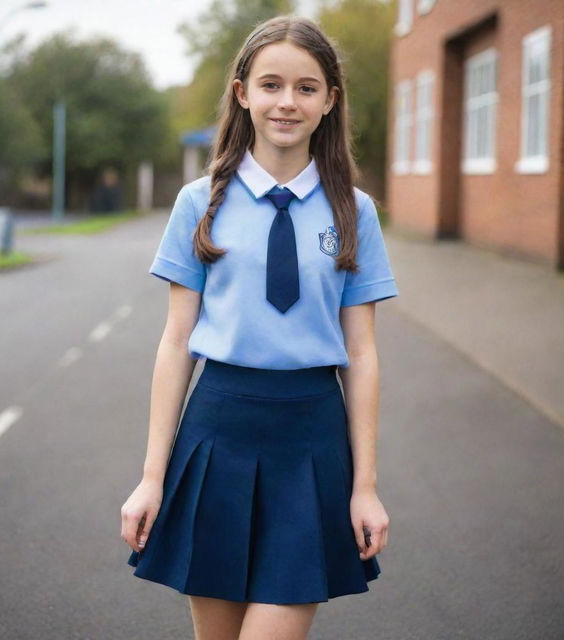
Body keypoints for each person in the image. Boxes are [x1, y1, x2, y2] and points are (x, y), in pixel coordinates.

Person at [120, 14, 399, 640]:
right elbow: (175, 343)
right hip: (217, 429)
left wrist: (366, 485)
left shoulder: (356, 212)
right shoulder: (201, 201)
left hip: (311, 435)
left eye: (306, 88)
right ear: (243, 92)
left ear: (330, 101)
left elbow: (363, 351)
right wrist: (151, 477)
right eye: (271, 84)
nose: (287, 101)